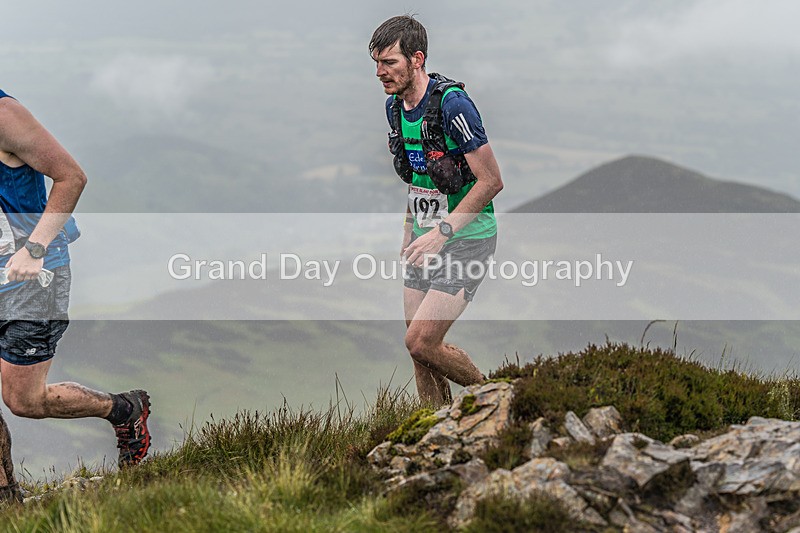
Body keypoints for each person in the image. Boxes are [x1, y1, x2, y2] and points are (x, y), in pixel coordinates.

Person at [0, 88, 151, 502]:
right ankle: (6, 498)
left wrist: (35, 248)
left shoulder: (5, 117)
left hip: (31, 280)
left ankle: (123, 410)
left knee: (24, 400)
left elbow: (71, 177)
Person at [369, 15, 504, 405]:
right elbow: (418, 180)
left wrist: (441, 233)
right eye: (376, 63)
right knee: (419, 354)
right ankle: (435, 427)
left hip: (468, 239)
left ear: (417, 59)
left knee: (421, 340)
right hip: (424, 240)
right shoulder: (396, 109)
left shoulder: (452, 104)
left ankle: (495, 399)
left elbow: (491, 181)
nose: (380, 72)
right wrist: (410, 234)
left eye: (389, 62)